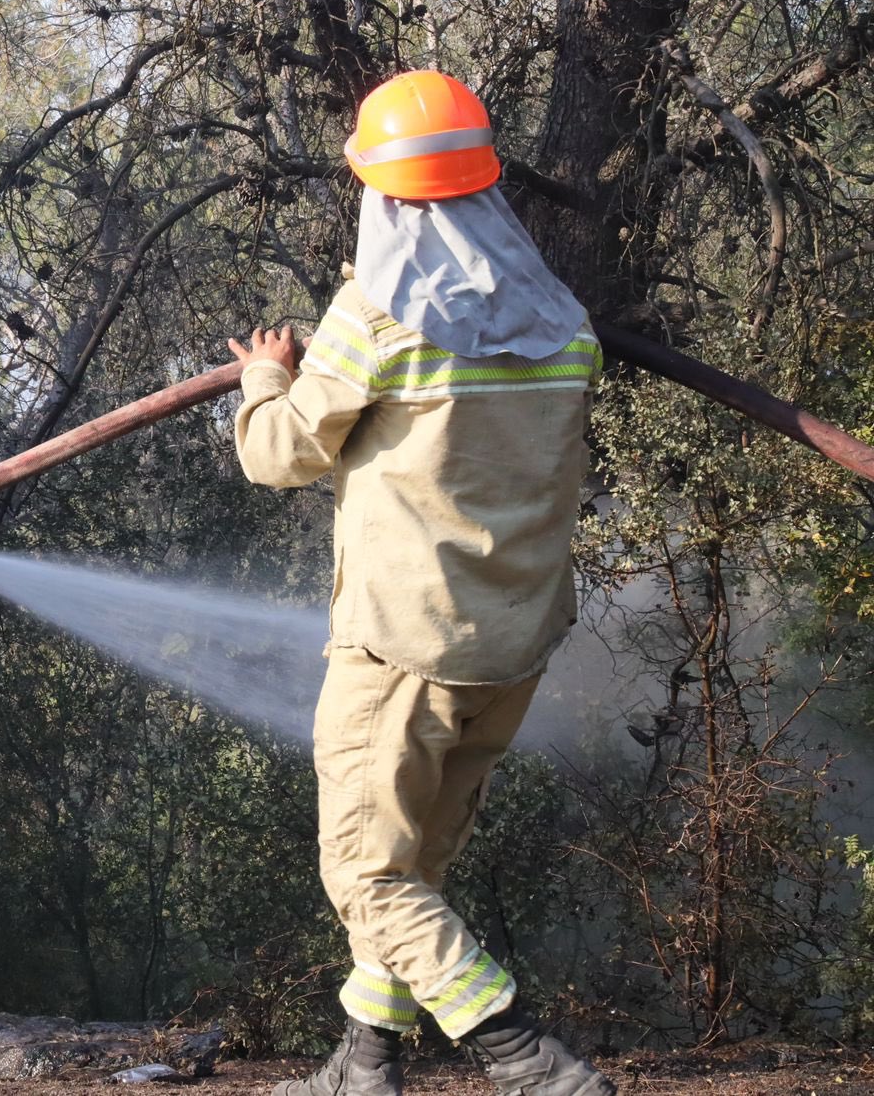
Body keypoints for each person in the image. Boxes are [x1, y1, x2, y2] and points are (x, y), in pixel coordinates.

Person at [230, 70, 613, 1096]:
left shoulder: (376, 316)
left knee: (365, 871)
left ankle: (521, 1056)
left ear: (383, 196)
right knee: (413, 864)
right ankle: (363, 1063)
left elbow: (277, 454)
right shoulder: (563, 322)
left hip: (403, 646)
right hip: (511, 648)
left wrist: (266, 374)